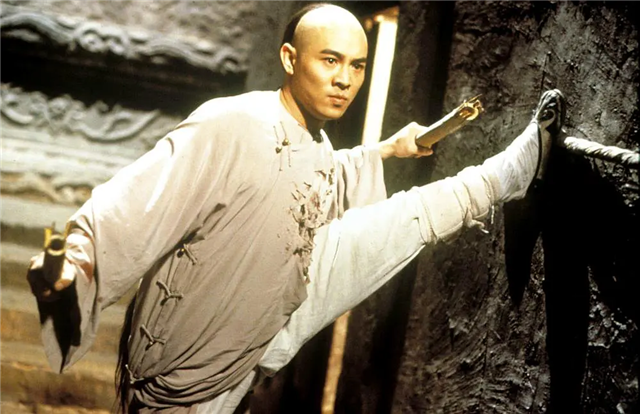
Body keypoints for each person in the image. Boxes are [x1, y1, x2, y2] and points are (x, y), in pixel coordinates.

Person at [26, 3, 564, 413]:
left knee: (406, 220)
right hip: (184, 360)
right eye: (330, 61)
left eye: (357, 66)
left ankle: (504, 176)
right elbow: (140, 193)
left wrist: (386, 150)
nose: (345, 80)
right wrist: (77, 257)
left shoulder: (318, 144)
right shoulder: (230, 122)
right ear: (289, 58)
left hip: (270, 315)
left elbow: (308, 177)